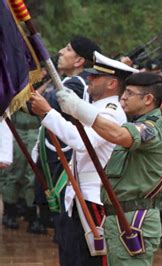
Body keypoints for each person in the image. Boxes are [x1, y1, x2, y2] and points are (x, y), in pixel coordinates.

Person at [30, 51, 135, 265]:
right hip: (79, 196)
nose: (89, 79)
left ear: (112, 84)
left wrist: (47, 113)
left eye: (96, 77)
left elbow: (80, 141)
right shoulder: (96, 108)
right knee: (72, 257)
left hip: (94, 198)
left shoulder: (110, 112)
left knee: (86, 260)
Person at [56, 71, 162, 266]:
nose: (123, 97)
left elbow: (118, 135)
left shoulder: (153, 129)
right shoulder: (134, 124)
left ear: (148, 99)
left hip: (134, 220)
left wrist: (79, 109)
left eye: (129, 93)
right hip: (117, 217)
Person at [31, 36, 102, 236]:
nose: (61, 51)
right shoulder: (69, 81)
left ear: (79, 61)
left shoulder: (76, 84)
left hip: (64, 161)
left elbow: (44, 105)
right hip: (56, 159)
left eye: (68, 49)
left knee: (68, 232)